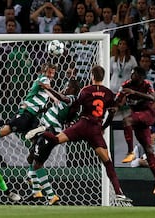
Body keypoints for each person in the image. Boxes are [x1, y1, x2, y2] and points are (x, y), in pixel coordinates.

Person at [41, 65, 131, 202]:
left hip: (82, 125)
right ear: (104, 77)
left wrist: (69, 122)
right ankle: (119, 192)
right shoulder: (108, 93)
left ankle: (41, 131)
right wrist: (104, 127)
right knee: (108, 162)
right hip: (95, 129)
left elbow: (74, 107)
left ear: (92, 76)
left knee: (55, 140)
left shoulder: (86, 90)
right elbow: (112, 112)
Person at [0, 63, 58, 157]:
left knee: (37, 140)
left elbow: (45, 90)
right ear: (44, 71)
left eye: (53, 73)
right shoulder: (44, 79)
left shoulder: (42, 79)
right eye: (49, 72)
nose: (51, 75)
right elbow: (47, 88)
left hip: (33, 114)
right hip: (27, 112)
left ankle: (32, 167)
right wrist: (56, 98)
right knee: (5, 131)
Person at [24, 79, 80, 206]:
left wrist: (48, 88)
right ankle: (36, 191)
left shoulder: (72, 98)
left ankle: (51, 195)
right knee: (30, 157)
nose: (65, 88)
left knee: (37, 165)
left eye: (67, 86)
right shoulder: (62, 98)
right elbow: (58, 98)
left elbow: (64, 99)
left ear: (73, 89)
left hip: (50, 131)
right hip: (44, 127)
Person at [116, 66, 155, 194]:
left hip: (146, 114)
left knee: (126, 121)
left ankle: (130, 152)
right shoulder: (126, 84)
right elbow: (118, 100)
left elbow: (152, 98)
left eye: (135, 74)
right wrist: (115, 105)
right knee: (148, 149)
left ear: (141, 77)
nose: (132, 76)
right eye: (131, 74)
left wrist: (134, 93)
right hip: (137, 118)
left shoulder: (147, 84)